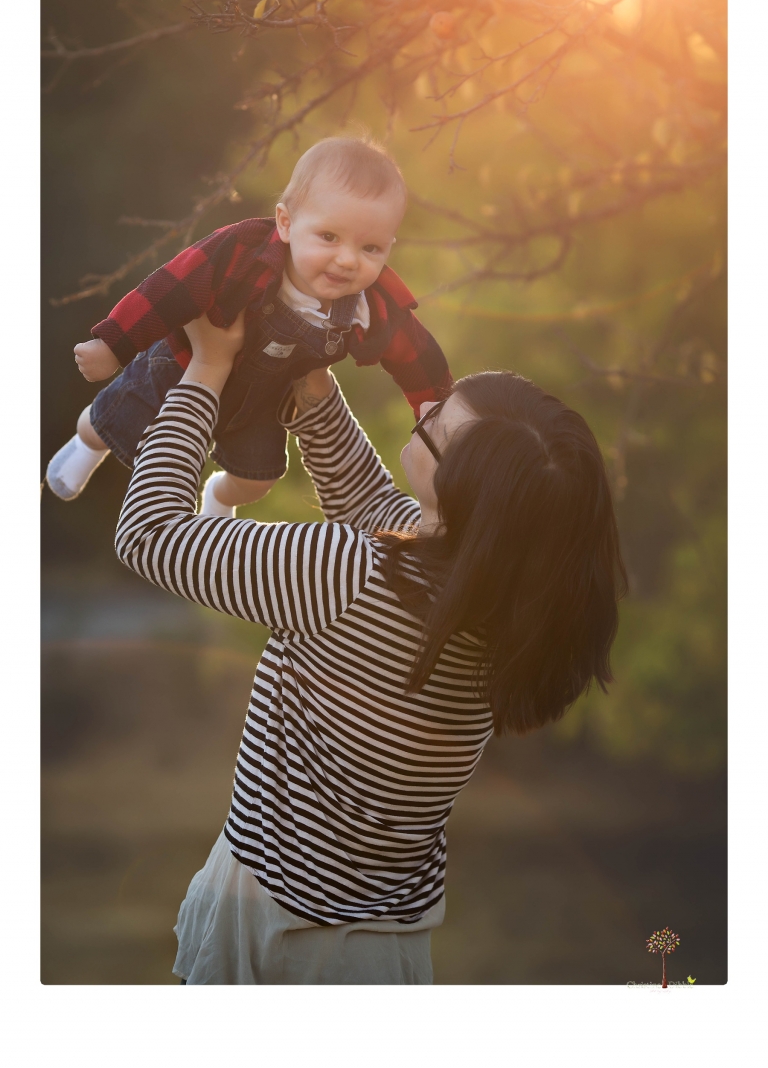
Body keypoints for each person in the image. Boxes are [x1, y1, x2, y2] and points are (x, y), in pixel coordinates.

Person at [114, 309, 627, 985]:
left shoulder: (347, 574)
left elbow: (148, 534)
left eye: (436, 423)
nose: (426, 406)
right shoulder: (501, 601)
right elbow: (379, 511)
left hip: (277, 931)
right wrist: (317, 397)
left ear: (459, 494)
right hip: (380, 944)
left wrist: (204, 374)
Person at [46, 136, 451, 518]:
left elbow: (415, 353)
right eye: (329, 236)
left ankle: (217, 497)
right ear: (286, 223)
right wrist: (113, 343)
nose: (347, 260)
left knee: (259, 478)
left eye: (370, 248)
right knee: (115, 423)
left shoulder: (371, 303)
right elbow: (170, 287)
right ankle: (86, 442)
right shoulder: (240, 252)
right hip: (180, 370)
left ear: (388, 246)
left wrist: (436, 411)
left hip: (263, 400)